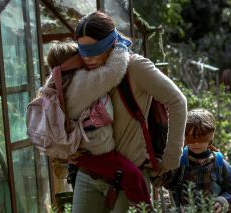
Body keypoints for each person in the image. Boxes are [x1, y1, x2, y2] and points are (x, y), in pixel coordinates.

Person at [70, 11, 187, 213]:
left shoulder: (135, 67)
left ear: (110, 43)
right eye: (83, 51)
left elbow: (177, 101)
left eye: (94, 50)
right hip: (88, 172)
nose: (87, 58)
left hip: (128, 176)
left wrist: (171, 158)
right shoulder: (80, 69)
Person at [45, 40, 151, 207]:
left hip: (79, 152)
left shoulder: (53, 85)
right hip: (97, 151)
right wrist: (119, 48)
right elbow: (113, 72)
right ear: (74, 61)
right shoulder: (79, 83)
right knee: (134, 178)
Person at [152, 108, 231, 212]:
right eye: (191, 138)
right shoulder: (178, 163)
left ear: (210, 138)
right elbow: (161, 180)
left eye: (201, 137)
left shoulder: (220, 164)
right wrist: (156, 167)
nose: (196, 143)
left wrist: (223, 202)